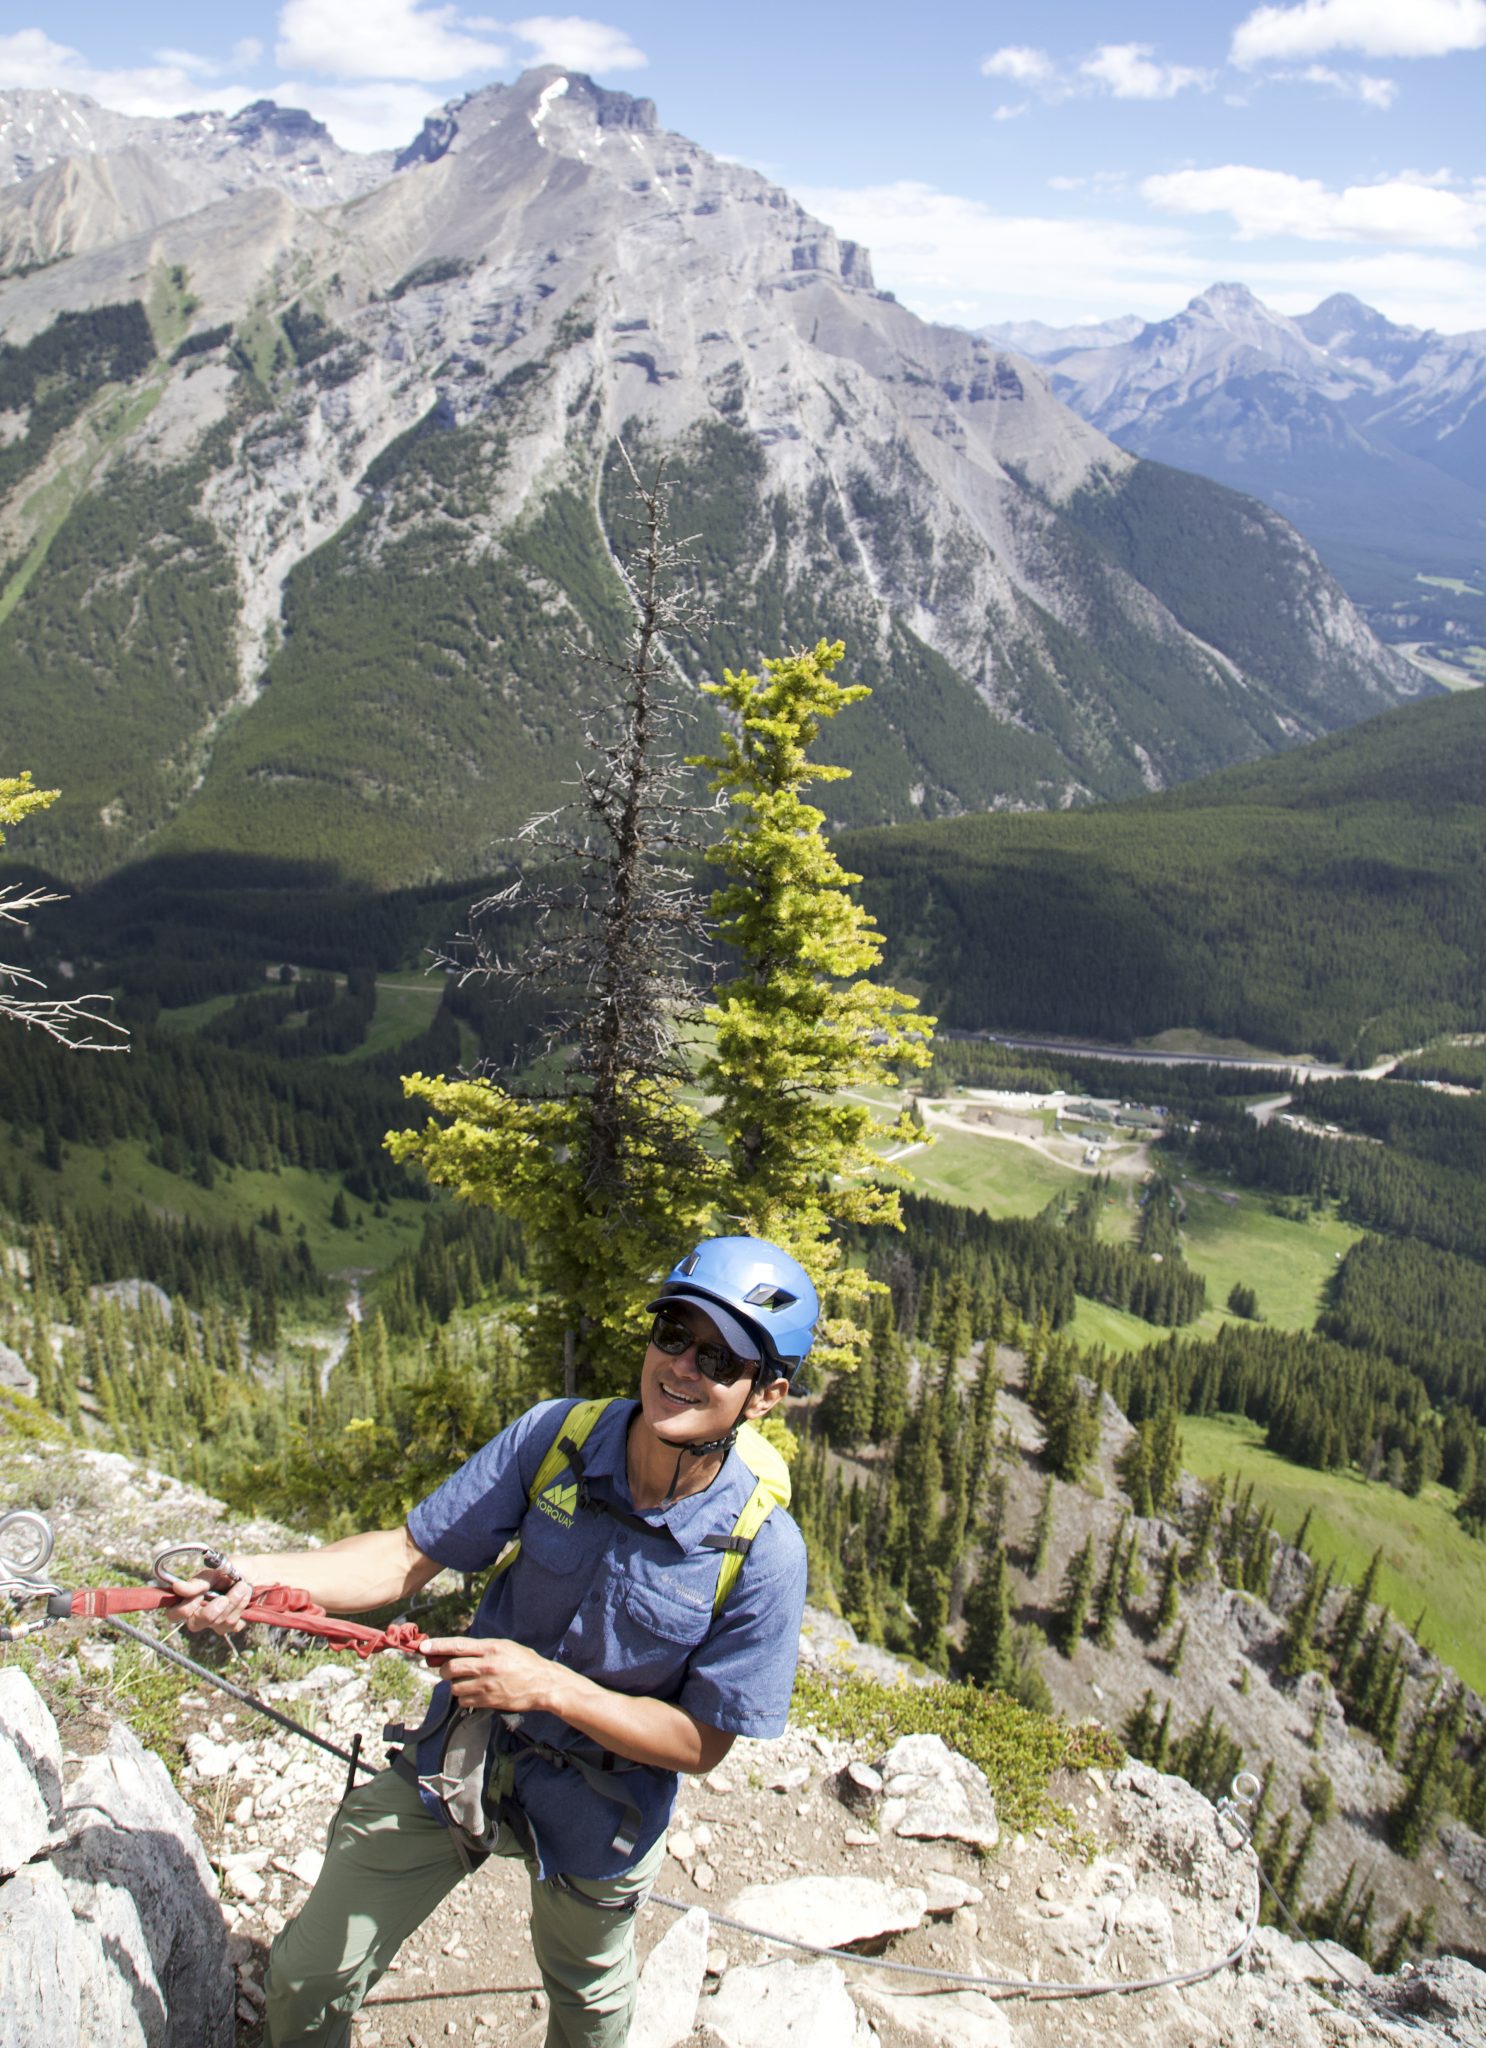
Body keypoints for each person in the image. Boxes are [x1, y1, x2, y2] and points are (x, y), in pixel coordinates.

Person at [178, 1236, 814, 2048]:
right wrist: (250, 1575)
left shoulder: (761, 1549)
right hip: (464, 1752)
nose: (682, 1366)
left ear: (765, 1394)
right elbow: (407, 1556)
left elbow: (701, 1744)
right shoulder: (559, 1438)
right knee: (307, 1972)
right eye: (673, 1335)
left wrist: (548, 1686)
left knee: (587, 2006)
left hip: (602, 1810)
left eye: (720, 1359)